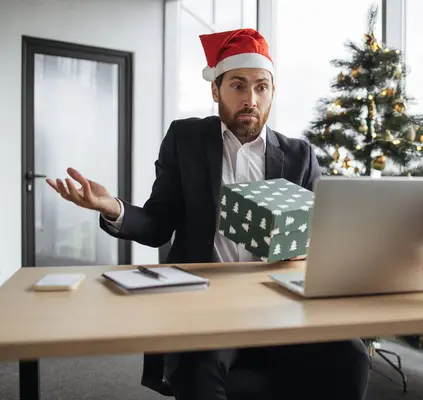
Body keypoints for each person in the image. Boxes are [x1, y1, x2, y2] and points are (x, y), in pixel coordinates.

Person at [46, 28, 371, 400]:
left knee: (352, 357)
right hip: (210, 302)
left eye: (261, 87)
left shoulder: (300, 155)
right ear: (215, 91)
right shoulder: (186, 140)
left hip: (281, 299)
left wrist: (311, 248)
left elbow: (328, 230)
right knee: (203, 370)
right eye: (238, 85)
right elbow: (157, 225)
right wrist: (113, 208)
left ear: (272, 93)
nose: (251, 98)